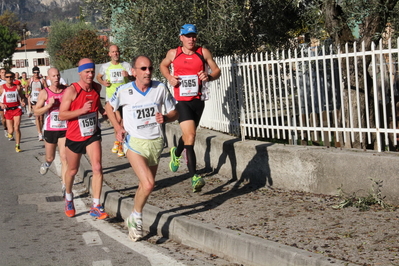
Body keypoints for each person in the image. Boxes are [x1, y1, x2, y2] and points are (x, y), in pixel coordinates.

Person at [105, 55, 178, 241]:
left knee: (144, 185)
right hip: (134, 143)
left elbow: (174, 112)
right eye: (143, 68)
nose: (147, 72)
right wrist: (117, 128)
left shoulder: (159, 88)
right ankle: (136, 217)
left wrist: (166, 118)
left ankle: (133, 215)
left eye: (150, 68)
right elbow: (108, 107)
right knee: (148, 184)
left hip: (155, 143)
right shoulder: (124, 90)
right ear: (134, 72)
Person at [160, 23, 221, 192]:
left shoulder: (203, 52)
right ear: (181, 37)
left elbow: (217, 71)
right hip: (181, 101)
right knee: (191, 135)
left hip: (198, 100)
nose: (191, 39)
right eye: (188, 36)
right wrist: (169, 77)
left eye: (193, 36)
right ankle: (194, 176)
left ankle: (176, 153)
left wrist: (208, 76)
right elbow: (163, 65)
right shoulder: (174, 53)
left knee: (188, 135)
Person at [59, 58, 108, 220]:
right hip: (74, 136)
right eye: (87, 72)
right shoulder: (72, 90)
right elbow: (62, 115)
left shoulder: (96, 87)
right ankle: (68, 197)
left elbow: (98, 107)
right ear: (80, 72)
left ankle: (96, 205)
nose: (90, 75)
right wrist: (80, 111)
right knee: (72, 170)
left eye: (92, 71)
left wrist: (104, 112)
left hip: (92, 133)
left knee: (97, 167)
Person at [34, 67, 68, 196]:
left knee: (64, 158)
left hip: (65, 128)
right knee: (51, 157)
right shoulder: (45, 93)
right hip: (50, 129)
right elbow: (36, 111)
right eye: (53, 76)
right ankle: (47, 163)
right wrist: (48, 106)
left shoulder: (66, 91)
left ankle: (65, 185)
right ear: (48, 78)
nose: (56, 78)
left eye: (58, 75)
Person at [97, 45, 133, 157]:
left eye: (117, 51)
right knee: (117, 121)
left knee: (123, 121)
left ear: (119, 53)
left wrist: (128, 76)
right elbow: (98, 77)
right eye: (113, 52)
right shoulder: (105, 66)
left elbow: (134, 78)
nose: (115, 54)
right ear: (109, 54)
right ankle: (119, 142)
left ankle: (119, 143)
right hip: (111, 98)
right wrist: (103, 82)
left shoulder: (126, 65)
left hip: (124, 97)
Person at [0, 71, 26, 152]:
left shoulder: (17, 87)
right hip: (7, 110)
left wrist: (22, 101)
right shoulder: (2, 87)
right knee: (10, 130)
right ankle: (9, 133)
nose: (9, 78)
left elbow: (22, 97)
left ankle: (17, 146)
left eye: (11, 77)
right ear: (5, 78)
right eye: (7, 77)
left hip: (17, 109)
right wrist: (1, 104)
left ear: (13, 77)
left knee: (17, 128)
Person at [28, 66, 46, 140]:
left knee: (41, 118)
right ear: (33, 73)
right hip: (34, 100)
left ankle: (41, 130)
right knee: (37, 116)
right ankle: (39, 133)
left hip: (41, 100)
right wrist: (27, 93)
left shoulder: (42, 81)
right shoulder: (30, 80)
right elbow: (26, 87)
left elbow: (47, 89)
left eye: (37, 72)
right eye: (35, 73)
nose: (36, 74)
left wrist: (41, 89)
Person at [0, 68, 7, 137]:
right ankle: (5, 129)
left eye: (4, 72)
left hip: (9, 102)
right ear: (0, 73)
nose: (4, 74)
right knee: (4, 119)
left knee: (10, 118)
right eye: (2, 72)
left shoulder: (8, 80)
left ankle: (10, 131)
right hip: (1, 102)